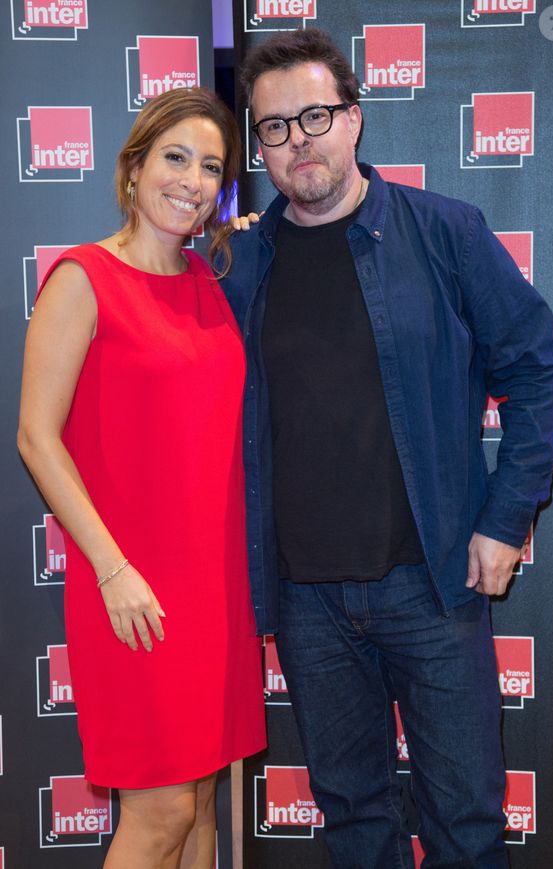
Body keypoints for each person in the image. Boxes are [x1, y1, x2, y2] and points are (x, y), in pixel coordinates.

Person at [220, 28, 553, 868]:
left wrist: (505, 516)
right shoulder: (239, 264)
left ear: (354, 119)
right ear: (257, 147)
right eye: (273, 127)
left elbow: (535, 369)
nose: (297, 140)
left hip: (435, 580)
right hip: (306, 601)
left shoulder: (446, 231)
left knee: (466, 824)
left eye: (314, 116)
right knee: (356, 825)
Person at [18, 87, 266, 869]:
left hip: (215, 587)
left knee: (201, 812)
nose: (192, 179)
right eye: (175, 157)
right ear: (134, 169)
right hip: (134, 589)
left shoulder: (210, 281)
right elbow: (36, 436)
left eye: (211, 167)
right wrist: (113, 567)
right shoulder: (83, 279)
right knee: (160, 812)